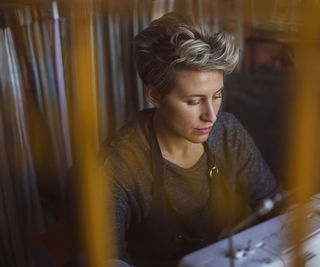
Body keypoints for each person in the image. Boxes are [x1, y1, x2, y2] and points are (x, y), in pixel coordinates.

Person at [102, 12, 280, 267]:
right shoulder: (120, 163)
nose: (211, 116)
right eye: (194, 101)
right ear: (154, 95)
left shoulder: (228, 133)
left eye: (217, 95)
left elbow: (273, 203)